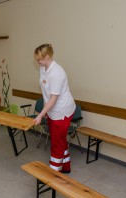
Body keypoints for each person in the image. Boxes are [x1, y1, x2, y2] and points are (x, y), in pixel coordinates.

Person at [33, 44, 76, 173]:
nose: (37, 61)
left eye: (39, 59)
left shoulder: (57, 73)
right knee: (60, 140)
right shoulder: (43, 67)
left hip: (62, 111)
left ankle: (53, 175)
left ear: (46, 57)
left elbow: (53, 98)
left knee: (56, 144)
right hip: (52, 110)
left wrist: (40, 115)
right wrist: (46, 112)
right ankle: (66, 167)